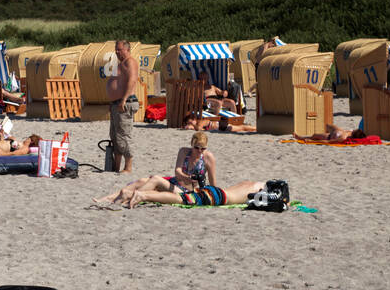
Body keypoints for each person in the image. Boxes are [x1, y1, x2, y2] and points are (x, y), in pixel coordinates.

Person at [93, 130, 217, 204]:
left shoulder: (208, 157)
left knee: (156, 179)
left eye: (203, 148)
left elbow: (213, 184)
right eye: (197, 148)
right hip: (176, 183)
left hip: (187, 192)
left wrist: (200, 187)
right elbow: (177, 171)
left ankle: (129, 196)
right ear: (192, 145)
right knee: (142, 181)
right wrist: (187, 177)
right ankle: (108, 198)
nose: (199, 151)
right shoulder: (184, 152)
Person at [103, 40, 140, 173]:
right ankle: (116, 166)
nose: (117, 52)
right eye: (116, 49)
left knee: (123, 135)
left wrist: (123, 100)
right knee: (114, 135)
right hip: (116, 104)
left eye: (119, 49)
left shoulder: (130, 62)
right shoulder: (120, 64)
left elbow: (132, 80)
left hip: (125, 102)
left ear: (127, 49)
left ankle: (128, 167)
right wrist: (112, 103)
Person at [120, 179, 267, 209]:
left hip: (215, 191)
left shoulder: (248, 183)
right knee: (181, 199)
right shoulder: (258, 189)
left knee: (183, 197)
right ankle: (143, 195)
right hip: (219, 197)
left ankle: (141, 195)